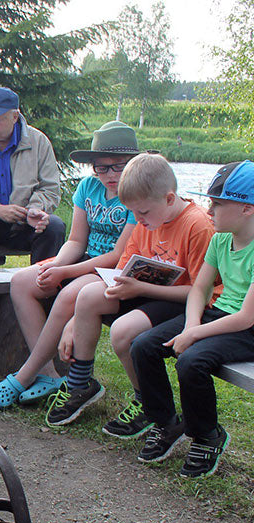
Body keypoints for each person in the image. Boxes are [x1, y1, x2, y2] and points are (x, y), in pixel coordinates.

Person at [44, 153, 215, 429]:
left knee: (122, 330)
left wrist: (141, 287)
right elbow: (121, 274)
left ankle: (146, 402)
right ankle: (79, 384)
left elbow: (201, 293)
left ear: (169, 199)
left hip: (180, 301)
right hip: (144, 291)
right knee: (88, 295)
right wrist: (77, 320)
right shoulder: (146, 221)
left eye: (143, 213)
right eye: (133, 213)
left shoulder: (196, 225)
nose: (138, 220)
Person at [0, 121, 142, 409]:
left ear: (132, 164)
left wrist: (66, 272)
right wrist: (55, 264)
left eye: (117, 167)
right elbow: (76, 240)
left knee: (69, 293)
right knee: (22, 281)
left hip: (114, 271)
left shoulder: (136, 195)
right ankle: (48, 374)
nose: (109, 175)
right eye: (101, 167)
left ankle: (23, 375)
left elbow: (119, 255)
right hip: (84, 260)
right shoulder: (87, 187)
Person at [131, 160, 254, 477]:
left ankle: (207, 436)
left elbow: (245, 317)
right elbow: (199, 291)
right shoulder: (220, 239)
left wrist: (195, 336)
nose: (209, 210)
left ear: (247, 209)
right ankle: (166, 423)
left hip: (247, 328)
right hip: (220, 315)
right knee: (143, 345)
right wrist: (191, 326)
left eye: (218, 203)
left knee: (191, 361)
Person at [0, 87, 66, 332]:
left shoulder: (39, 142)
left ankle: (41, 297)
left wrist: (35, 210)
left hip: (24, 221)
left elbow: (51, 188)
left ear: (15, 116)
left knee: (54, 227)